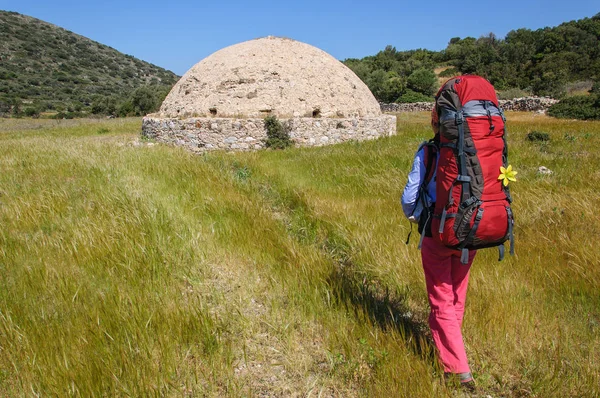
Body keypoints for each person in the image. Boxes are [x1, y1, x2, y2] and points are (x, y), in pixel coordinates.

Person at [401, 109, 477, 390]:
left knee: (441, 298)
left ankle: (458, 371)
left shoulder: (429, 152)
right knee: (457, 295)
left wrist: (415, 216)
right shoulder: (476, 151)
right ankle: (452, 353)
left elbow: (409, 197)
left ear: (435, 123)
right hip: (471, 232)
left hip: (438, 234)